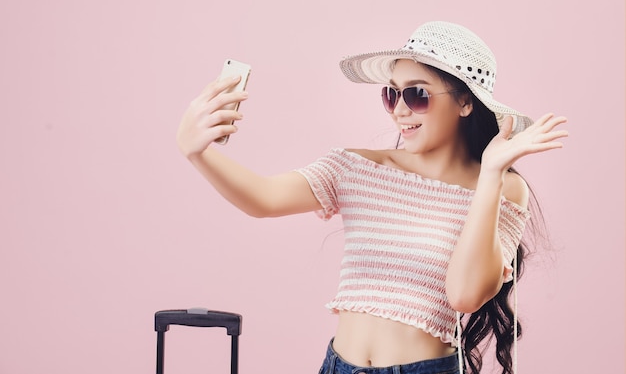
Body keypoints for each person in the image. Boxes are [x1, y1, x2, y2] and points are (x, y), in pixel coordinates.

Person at [176, 21, 568, 374]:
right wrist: (198, 152)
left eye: (417, 95)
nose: (399, 110)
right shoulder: (355, 167)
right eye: (390, 95)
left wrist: (491, 175)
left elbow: (465, 296)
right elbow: (263, 199)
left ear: (466, 102)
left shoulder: (502, 188)